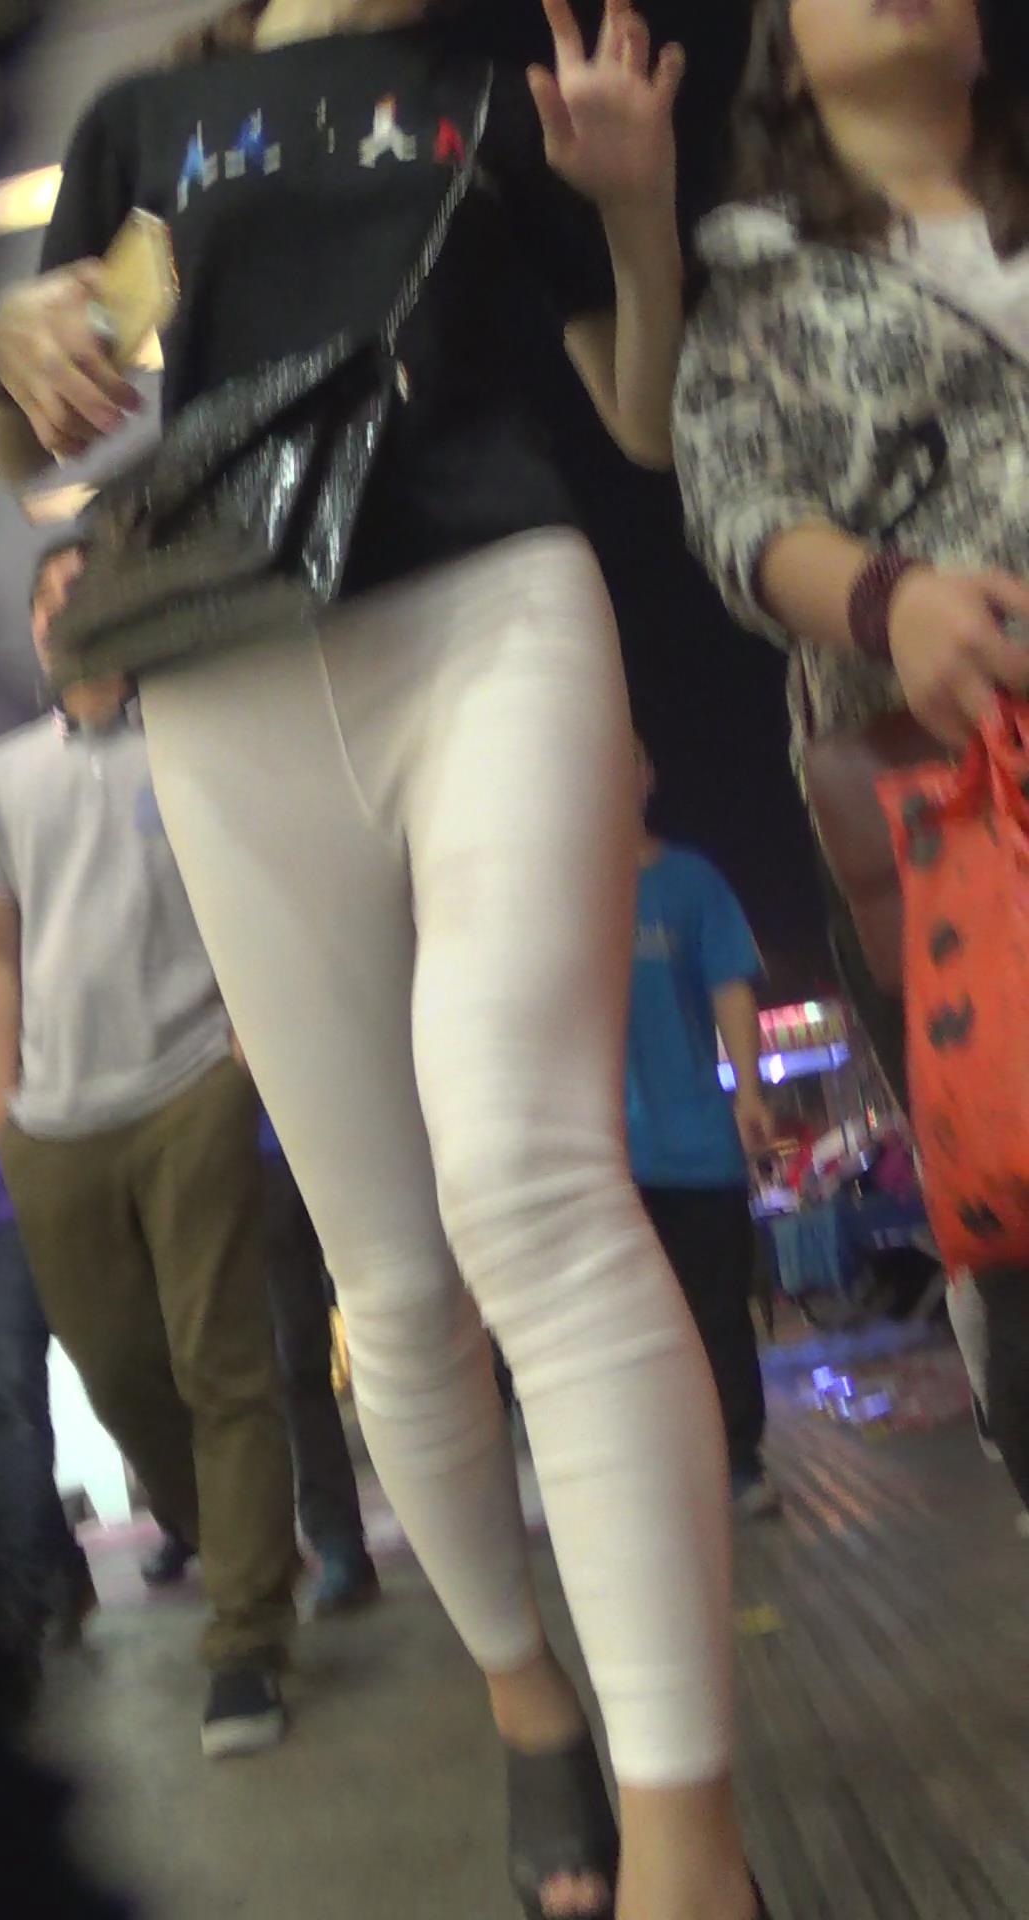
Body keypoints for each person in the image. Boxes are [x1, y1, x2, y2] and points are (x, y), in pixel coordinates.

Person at [0, 3, 769, 1916]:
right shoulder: (152, 118)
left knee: (532, 1179)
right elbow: (35, 430)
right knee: (395, 1295)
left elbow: (640, 412)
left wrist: (635, 206)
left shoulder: (506, 79)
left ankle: (689, 1848)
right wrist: (10, 355)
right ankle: (525, 1699)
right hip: (224, 670)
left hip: (494, 610)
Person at [672, 0, 1029, 1523]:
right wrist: (896, 602)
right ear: (784, 50)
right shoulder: (760, 285)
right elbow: (735, 505)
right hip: (964, 795)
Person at [0, 543, 298, 1761]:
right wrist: (7, 1110)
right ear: (35, 633)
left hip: (191, 1086)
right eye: (48, 596)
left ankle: (246, 1634)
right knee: (114, 1371)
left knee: (223, 1360)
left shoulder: (190, 739)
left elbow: (254, 890)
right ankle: (241, 1539)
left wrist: (243, 1051)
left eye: (84, 588)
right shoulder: (2, 776)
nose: (67, 609)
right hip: (54, 1126)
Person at [0, 714, 96, 1703]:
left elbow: (26, 1027)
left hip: (3, 1191)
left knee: (10, 1395)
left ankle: (18, 1612)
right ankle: (60, 1569)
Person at [146, 1109, 380, 1618]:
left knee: (402, 1320)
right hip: (256, 1153)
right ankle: (336, 1538)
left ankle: (445, 1520)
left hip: (344, 1128)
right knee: (294, 1362)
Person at [628, 740, 779, 1523]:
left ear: (648, 776)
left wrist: (749, 1089)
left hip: (696, 1145)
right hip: (597, 1162)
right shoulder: (553, 893)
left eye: (625, 759)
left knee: (718, 1313)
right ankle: (651, 1481)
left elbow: (730, 986)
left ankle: (738, 1461)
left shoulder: (692, 881)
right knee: (628, 1334)